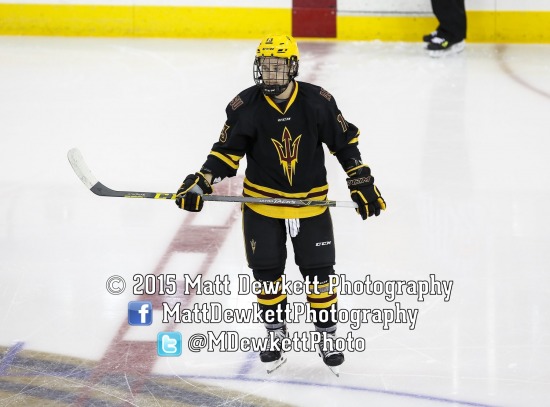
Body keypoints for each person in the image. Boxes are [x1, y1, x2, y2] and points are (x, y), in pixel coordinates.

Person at [175, 34, 386, 375]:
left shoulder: (318, 102)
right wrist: (203, 180)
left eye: (278, 67)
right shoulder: (246, 106)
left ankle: (328, 336)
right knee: (267, 277)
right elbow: (227, 153)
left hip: (310, 205)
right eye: (266, 67)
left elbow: (344, 144)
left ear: (292, 67)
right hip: (262, 206)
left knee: (320, 278)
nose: (271, 75)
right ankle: (275, 334)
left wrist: (360, 180)